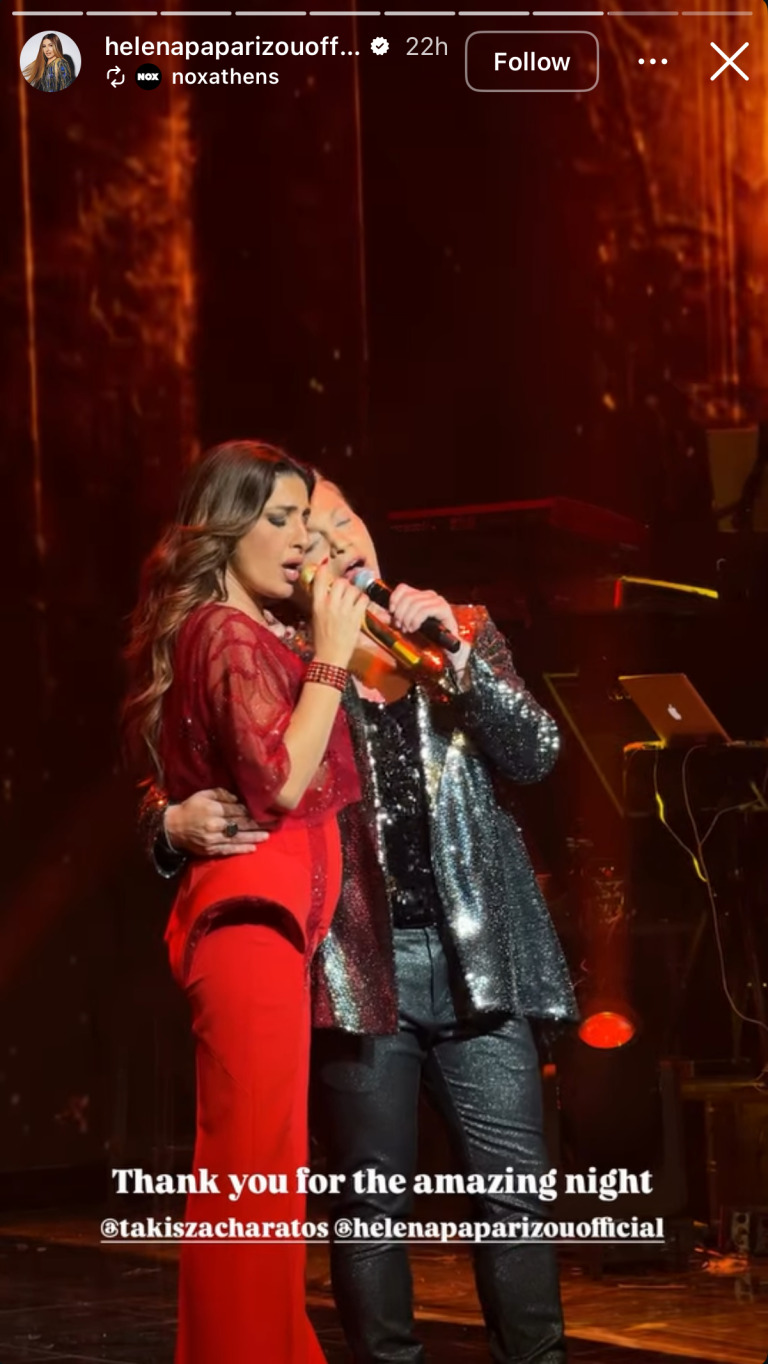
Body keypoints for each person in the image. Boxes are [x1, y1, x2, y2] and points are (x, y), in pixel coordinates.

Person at [142, 475, 578, 1364]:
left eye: (342, 521)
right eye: (309, 533)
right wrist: (164, 822)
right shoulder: (288, 654)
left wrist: (456, 658)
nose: (334, 542)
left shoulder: (459, 627)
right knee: (369, 1206)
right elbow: (185, 752)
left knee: (516, 1197)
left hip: (479, 960)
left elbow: (537, 751)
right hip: (356, 965)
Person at [123, 443, 367, 1364]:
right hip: (249, 931)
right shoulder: (226, 632)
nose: (300, 539)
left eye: (306, 519)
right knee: (252, 1185)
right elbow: (279, 780)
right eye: (279, 519)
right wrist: (330, 660)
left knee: (265, 1182)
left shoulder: (253, 632)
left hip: (270, 934)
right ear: (226, 528)